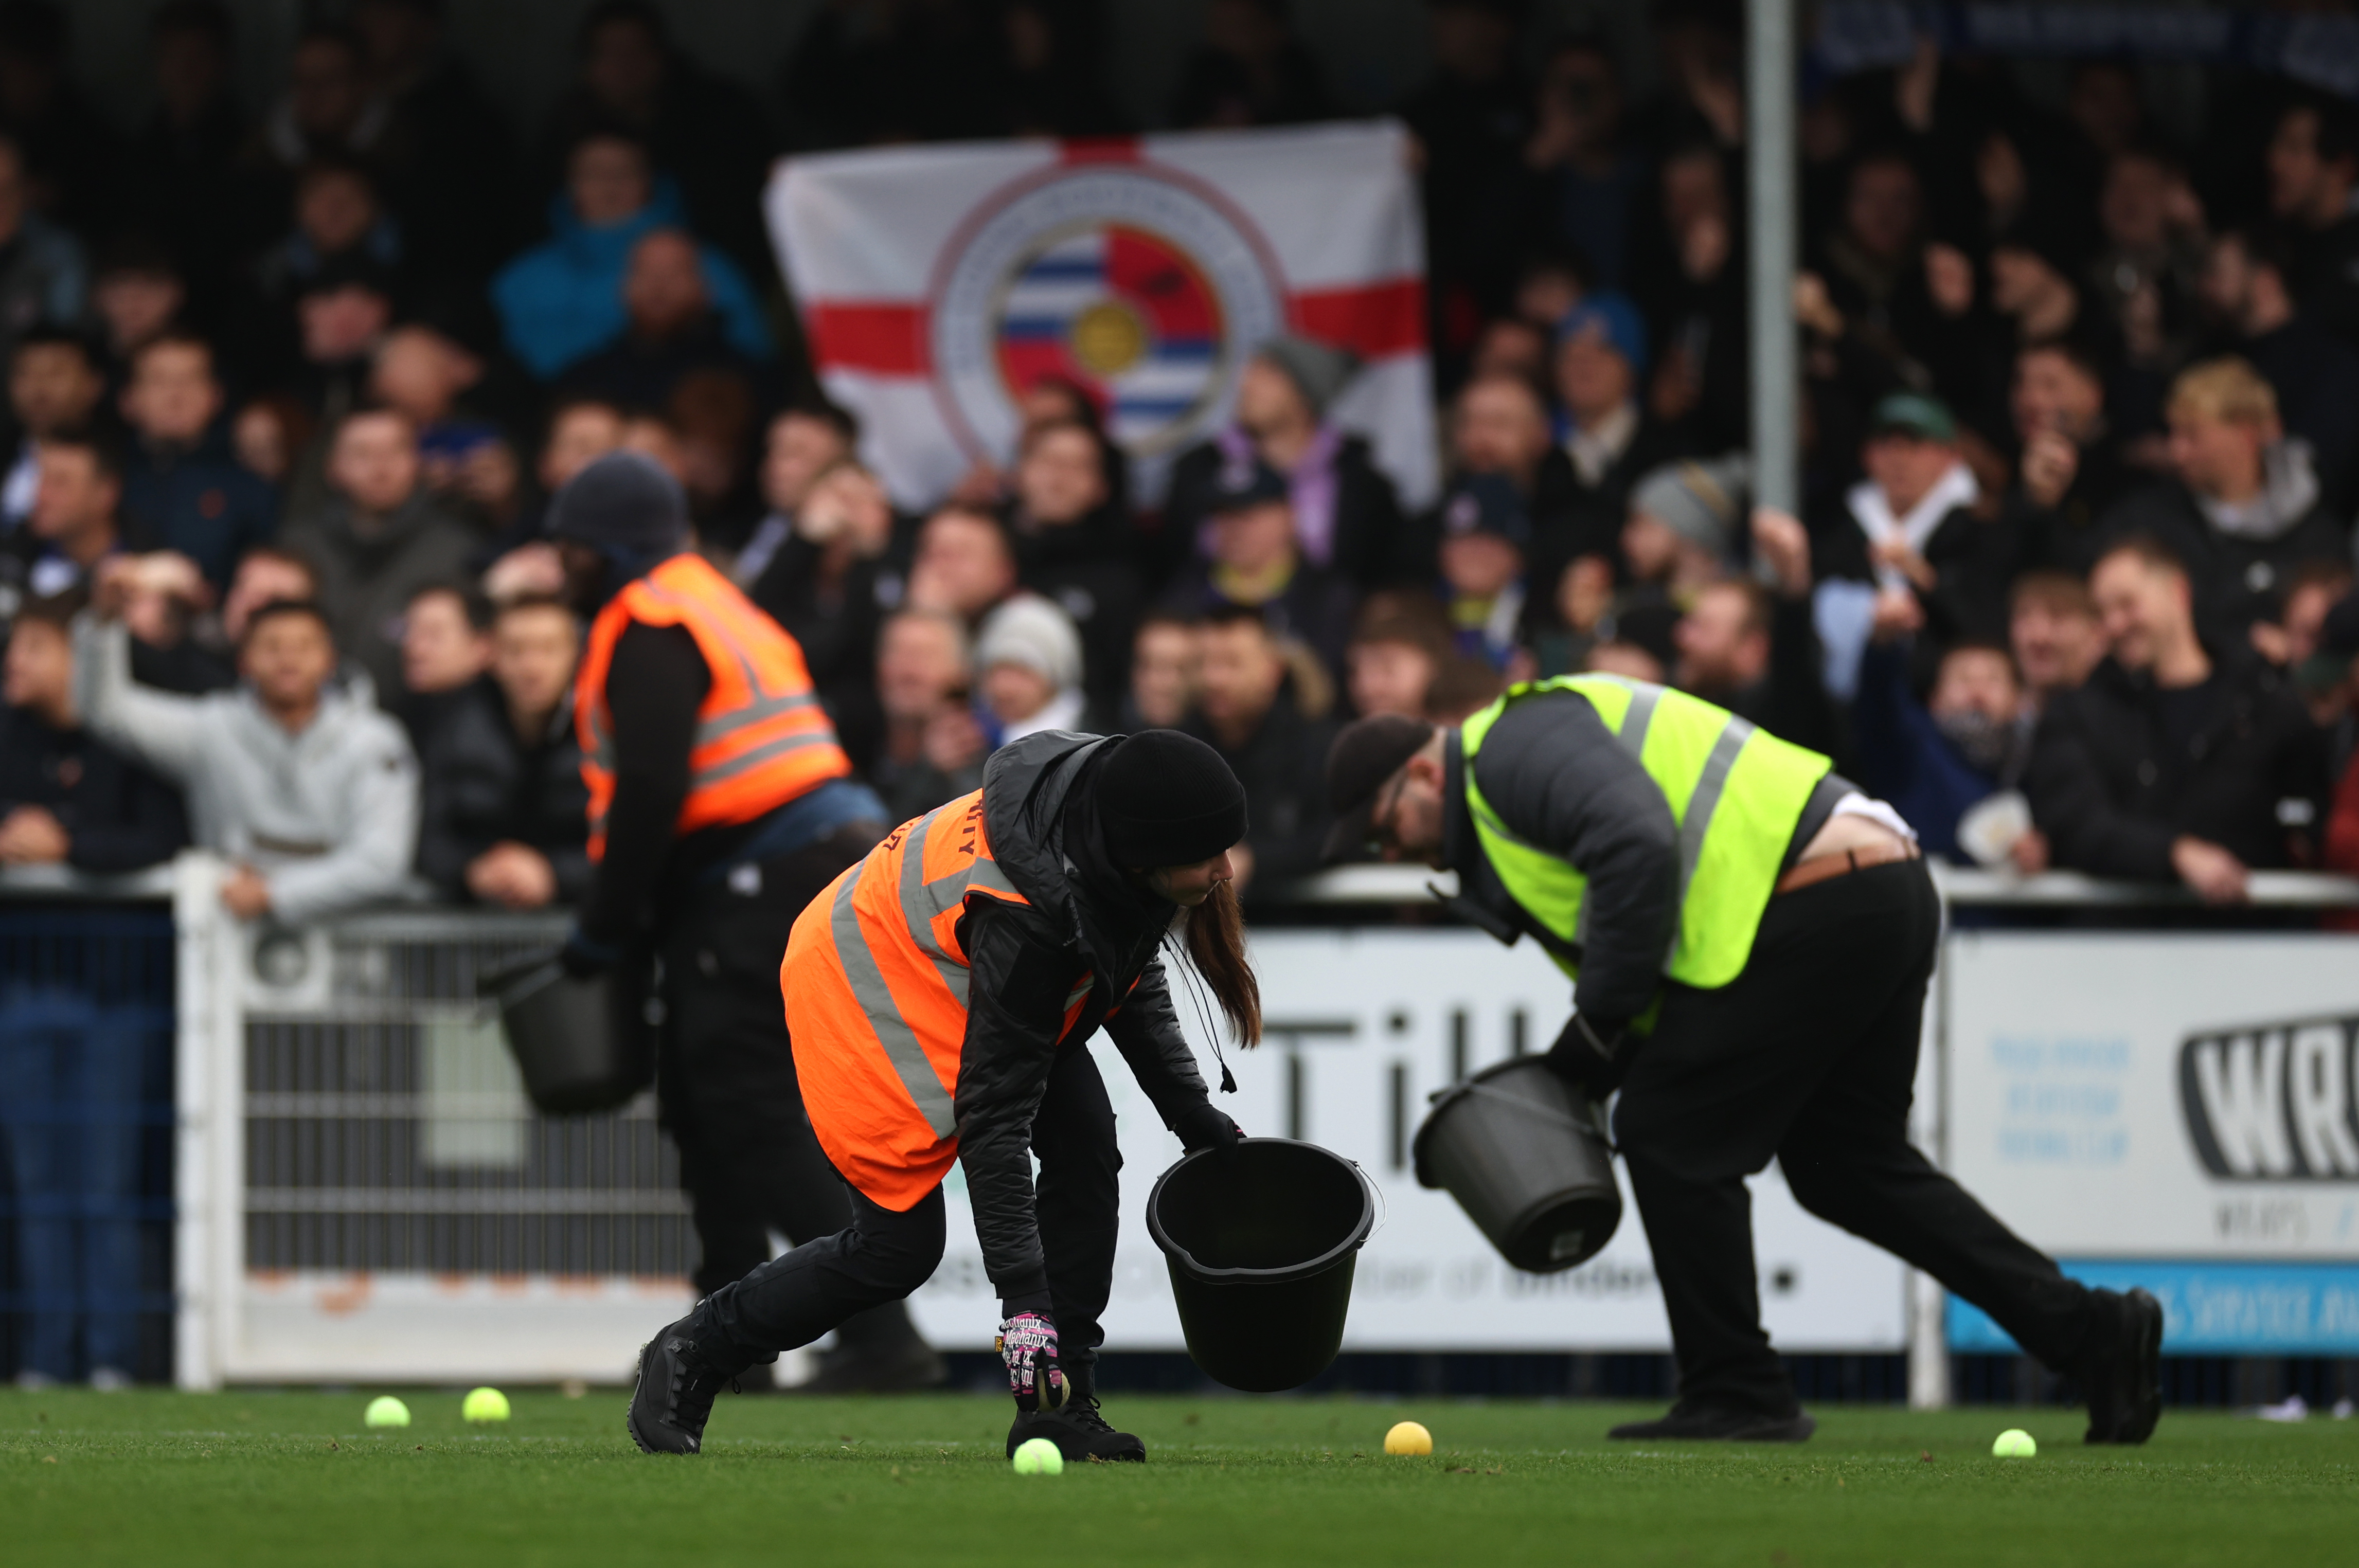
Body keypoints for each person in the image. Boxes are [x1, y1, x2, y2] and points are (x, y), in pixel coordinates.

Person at [1318, 686, 2164, 1446]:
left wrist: (1600, 1027)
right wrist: (1608, 1040)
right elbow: (1662, 915)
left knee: (1663, 1127)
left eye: (1381, 827)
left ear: (1425, 775)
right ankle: (2091, 1333)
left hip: (1818, 894)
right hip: (1870, 887)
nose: (1390, 853)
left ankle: (1738, 1388)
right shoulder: (1512, 779)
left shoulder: (1509, 747)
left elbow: (1636, 846)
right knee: (1847, 1166)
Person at [627, 726, 1257, 1465]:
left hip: (955, 961)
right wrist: (1023, 1304)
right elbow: (994, 1124)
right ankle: (697, 1348)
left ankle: (1062, 1406)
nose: (1226, 868)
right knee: (897, 1250)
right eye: (1208, 853)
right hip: (862, 987)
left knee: (1086, 1146)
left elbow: (1125, 966)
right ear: (1146, 855)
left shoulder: (1109, 814)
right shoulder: (1029, 917)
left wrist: (1192, 1116)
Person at [548, 451, 938, 1393]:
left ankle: (882, 1331)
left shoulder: (648, 621)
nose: (561, 571)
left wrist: (605, 927)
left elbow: (649, 786)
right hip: (793, 861)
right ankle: (724, 1339)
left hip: (762, 874)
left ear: (604, 548)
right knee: (700, 1094)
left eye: (570, 551)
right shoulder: (720, 601)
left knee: (748, 1101)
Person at [75, 589, 418, 924]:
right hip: (230, 937)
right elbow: (107, 712)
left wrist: (274, 893)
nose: (288, 659)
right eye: (271, 646)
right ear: (244, 661)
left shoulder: (376, 739)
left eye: (304, 645)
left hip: (351, 939)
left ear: (330, 659)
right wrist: (103, 624)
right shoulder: (211, 729)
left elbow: (382, 862)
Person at [2025, 535, 2326, 901]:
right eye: (2103, 613)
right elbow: (2075, 820)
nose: (2116, 624)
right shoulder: (2080, 713)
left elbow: (2311, 814)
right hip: (2117, 942)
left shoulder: (2264, 701)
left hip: (2250, 938)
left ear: (2178, 592)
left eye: (2127, 604)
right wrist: (2174, 854)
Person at [2096, 357, 2345, 645]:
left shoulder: (2319, 534)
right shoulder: (2147, 520)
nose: (2177, 452)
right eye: (2174, 433)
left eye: (2192, 435)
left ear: (2245, 434)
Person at [280, 406, 478, 698]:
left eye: (395, 451)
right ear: (333, 467)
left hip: (426, 727)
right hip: (305, 721)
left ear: (417, 461)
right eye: (363, 454)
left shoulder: (460, 553)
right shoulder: (297, 551)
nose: (381, 468)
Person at [415, 594, 589, 909]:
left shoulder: (606, 731)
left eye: (549, 649)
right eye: (516, 650)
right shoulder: (454, 725)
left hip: (580, 923)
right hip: (471, 927)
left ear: (575, 654)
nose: (532, 667)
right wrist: (473, 871)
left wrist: (555, 875)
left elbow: (631, 847)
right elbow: (428, 838)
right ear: (492, 655)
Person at [0, 594, 187, 873]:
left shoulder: (132, 736)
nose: (13, 661)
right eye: (13, 645)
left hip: (116, 914)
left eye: (35, 647)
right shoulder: (9, 728)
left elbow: (162, 839)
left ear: (81, 655)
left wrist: (68, 846)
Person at [1182, 604, 1338, 897]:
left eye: (1232, 664)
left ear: (1272, 671)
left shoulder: (1317, 748)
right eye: (1203, 663)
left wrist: (1256, 861)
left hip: (1299, 929)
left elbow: (1337, 836)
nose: (1214, 679)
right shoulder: (1174, 750)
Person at [117, 331, 278, 594]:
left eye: (191, 380)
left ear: (216, 396)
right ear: (128, 400)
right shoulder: (103, 477)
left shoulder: (251, 487)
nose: (175, 396)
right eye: (159, 381)